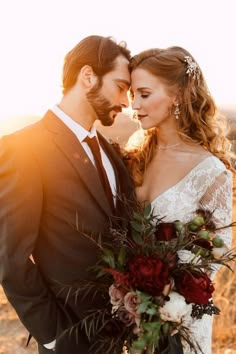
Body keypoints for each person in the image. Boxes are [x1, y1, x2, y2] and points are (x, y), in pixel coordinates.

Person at [0, 35, 135, 354]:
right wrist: (56, 338)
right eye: (120, 86)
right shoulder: (23, 149)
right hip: (68, 340)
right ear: (88, 77)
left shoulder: (111, 153)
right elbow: (11, 260)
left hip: (120, 338)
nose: (126, 101)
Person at [126, 47, 233, 354]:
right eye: (133, 94)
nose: (135, 105)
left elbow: (217, 252)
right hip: (126, 313)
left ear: (177, 95)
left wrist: (164, 292)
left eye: (144, 94)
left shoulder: (210, 170)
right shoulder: (135, 156)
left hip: (179, 318)